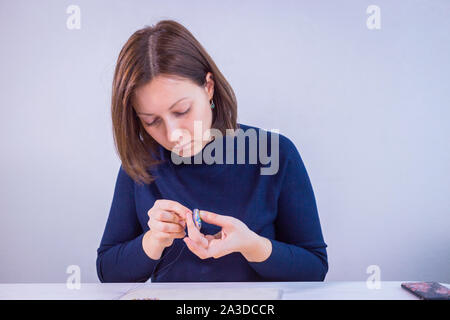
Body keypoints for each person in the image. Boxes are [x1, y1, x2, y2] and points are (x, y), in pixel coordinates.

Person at [96, 19, 328, 282]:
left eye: (182, 111)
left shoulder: (274, 153)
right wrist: (152, 241)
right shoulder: (141, 164)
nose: (173, 134)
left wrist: (252, 246)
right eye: (152, 121)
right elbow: (108, 273)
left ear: (208, 87)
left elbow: (315, 268)